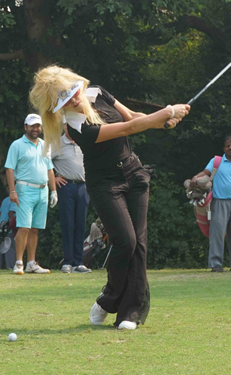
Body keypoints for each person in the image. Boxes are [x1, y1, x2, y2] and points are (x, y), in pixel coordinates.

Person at [29, 65, 189, 330]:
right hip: (104, 183)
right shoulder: (75, 128)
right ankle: (108, 298)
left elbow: (132, 116)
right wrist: (167, 112)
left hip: (134, 174)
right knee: (125, 242)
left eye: (72, 91)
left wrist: (162, 121)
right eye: (65, 99)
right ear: (57, 108)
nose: (74, 98)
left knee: (138, 244)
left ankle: (131, 313)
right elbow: (127, 129)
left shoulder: (98, 93)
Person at [5, 113, 57, 275]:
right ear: (25, 127)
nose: (36, 129)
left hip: (43, 190)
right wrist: (12, 190)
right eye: (32, 126)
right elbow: (10, 168)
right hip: (24, 190)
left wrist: (54, 190)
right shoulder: (17, 145)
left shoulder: (45, 144)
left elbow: (50, 169)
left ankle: (31, 263)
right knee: (24, 227)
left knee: (35, 228)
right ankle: (19, 262)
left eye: (38, 126)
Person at [190, 136, 231, 272]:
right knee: (217, 233)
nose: (230, 148)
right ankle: (215, 264)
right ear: (224, 148)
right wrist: (195, 177)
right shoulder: (216, 161)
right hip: (218, 201)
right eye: (227, 146)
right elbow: (205, 173)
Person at [50, 121, 91, 274]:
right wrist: (53, 177)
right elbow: (44, 160)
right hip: (66, 186)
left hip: (83, 186)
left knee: (81, 224)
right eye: (70, 126)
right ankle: (68, 262)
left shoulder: (83, 142)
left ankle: (78, 262)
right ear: (65, 127)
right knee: (68, 224)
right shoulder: (57, 143)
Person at [0, 196, 17, 270]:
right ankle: (10, 266)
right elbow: (11, 212)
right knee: (10, 248)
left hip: (1, 227)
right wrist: (13, 226)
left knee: (0, 248)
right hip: (9, 228)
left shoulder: (5, 199)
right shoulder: (15, 199)